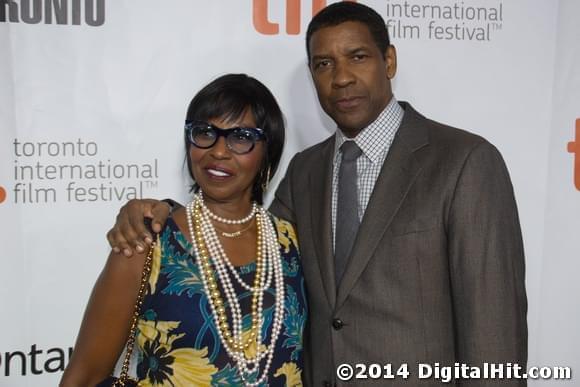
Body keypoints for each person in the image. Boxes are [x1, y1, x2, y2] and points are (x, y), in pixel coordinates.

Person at [106, 3, 527, 386]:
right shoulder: (306, 170)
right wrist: (164, 214)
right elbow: (248, 235)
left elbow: (494, 334)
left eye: (357, 57)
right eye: (324, 64)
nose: (341, 77)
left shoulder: (464, 162)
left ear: (390, 61)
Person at [61, 74, 307, 386]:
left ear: (267, 152)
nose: (218, 151)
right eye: (205, 132)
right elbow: (84, 375)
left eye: (241, 137)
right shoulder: (147, 241)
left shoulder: (292, 243)